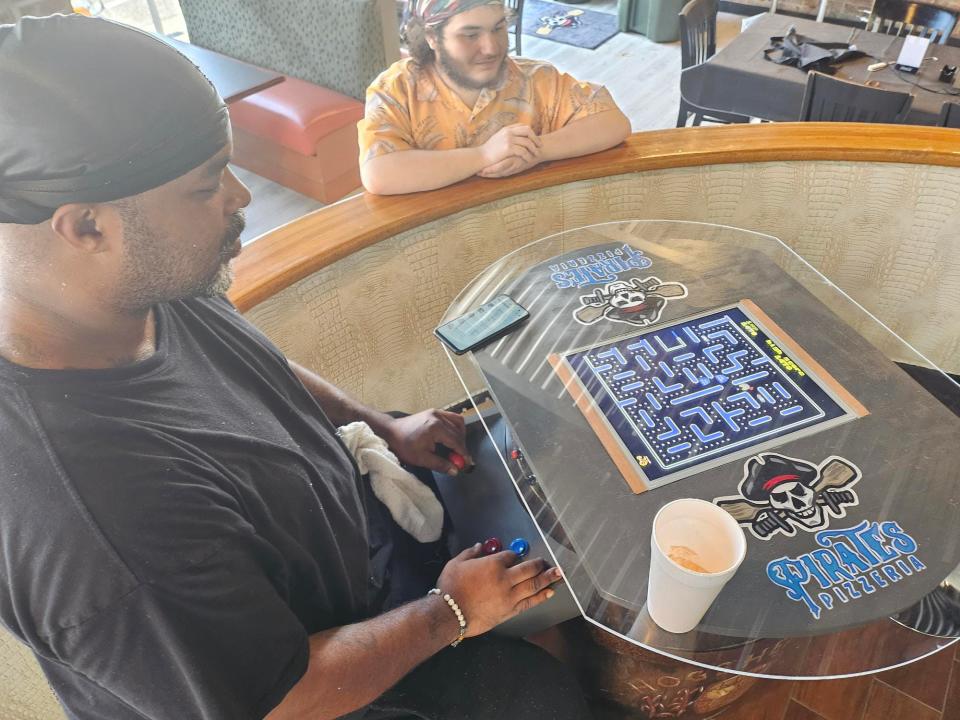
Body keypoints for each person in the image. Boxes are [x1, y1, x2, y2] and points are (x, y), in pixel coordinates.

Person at [0, 15, 591, 720]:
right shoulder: (91, 521)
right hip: (312, 687)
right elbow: (276, 697)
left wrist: (381, 426)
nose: (240, 198)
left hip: (355, 573)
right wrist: (448, 614)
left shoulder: (130, 291)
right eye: (206, 185)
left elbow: (258, 369)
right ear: (88, 226)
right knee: (547, 697)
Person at [357, 0, 632, 195]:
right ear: (431, 37)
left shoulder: (535, 79)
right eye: (471, 34)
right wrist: (484, 155)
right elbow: (379, 173)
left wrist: (534, 151)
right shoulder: (396, 90)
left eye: (498, 28)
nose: (491, 48)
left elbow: (613, 122)